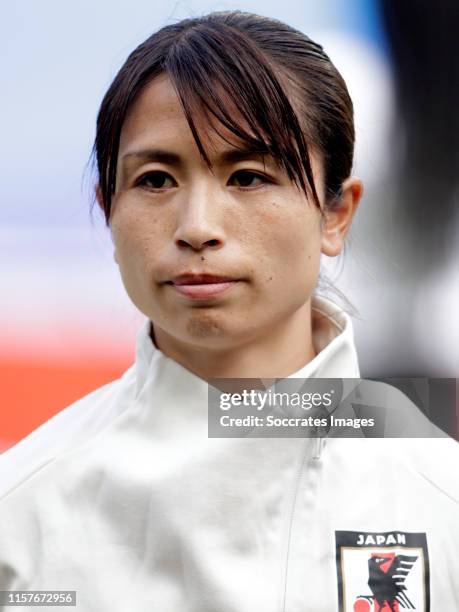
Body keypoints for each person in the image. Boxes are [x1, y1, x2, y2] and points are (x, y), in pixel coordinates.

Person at [0, 11, 457, 612]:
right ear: (107, 209)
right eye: (157, 180)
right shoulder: (23, 514)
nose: (197, 228)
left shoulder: (440, 499)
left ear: (336, 214)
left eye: (247, 176)